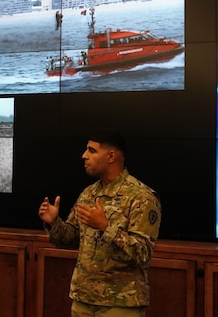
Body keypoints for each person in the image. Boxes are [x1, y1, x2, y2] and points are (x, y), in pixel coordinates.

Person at [38, 128, 161, 317]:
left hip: (120, 303)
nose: (84, 156)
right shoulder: (89, 194)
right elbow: (70, 238)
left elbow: (143, 252)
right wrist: (54, 223)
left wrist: (105, 227)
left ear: (111, 156)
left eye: (91, 150)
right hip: (83, 300)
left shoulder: (141, 197)